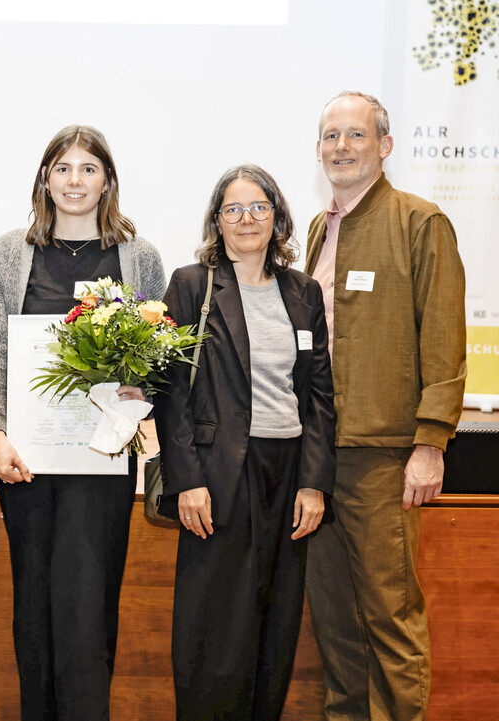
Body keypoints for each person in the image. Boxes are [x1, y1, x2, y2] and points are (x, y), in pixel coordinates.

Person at [0, 125, 166, 720]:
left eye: (89, 169)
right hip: (27, 463)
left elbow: (159, 355)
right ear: (45, 179)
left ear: (107, 180)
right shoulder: (13, 251)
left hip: (102, 462)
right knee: (33, 607)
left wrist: (140, 394)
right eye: (63, 168)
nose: (75, 180)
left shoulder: (140, 257)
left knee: (88, 611)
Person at [304, 91, 467, 721]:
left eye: (356, 135)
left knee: (391, 617)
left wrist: (430, 444)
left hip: (385, 461)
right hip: (320, 459)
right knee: (337, 620)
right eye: (330, 137)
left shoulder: (419, 222)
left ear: (385, 145)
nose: (341, 147)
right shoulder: (321, 228)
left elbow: (445, 339)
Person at [153, 165, 336, 720]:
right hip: (219, 474)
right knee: (214, 626)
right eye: (233, 210)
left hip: (287, 473)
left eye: (258, 207)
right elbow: (170, 390)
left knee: (276, 618)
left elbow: (320, 396)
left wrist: (314, 483)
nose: (247, 219)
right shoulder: (192, 284)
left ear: (277, 216)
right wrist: (187, 480)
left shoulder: (302, 291)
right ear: (217, 222)